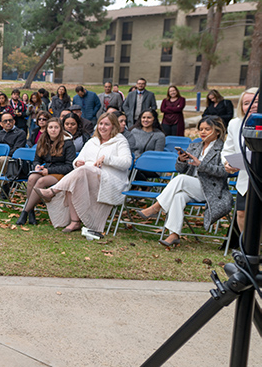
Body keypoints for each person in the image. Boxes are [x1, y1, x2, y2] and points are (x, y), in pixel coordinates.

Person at [136, 116, 232, 248]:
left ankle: (157, 207)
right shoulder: (194, 146)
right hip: (191, 186)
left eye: (207, 129)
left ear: (217, 131)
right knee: (177, 196)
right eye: (201, 129)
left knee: (181, 180)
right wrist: (181, 160)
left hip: (212, 189)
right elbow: (180, 170)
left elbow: (224, 172)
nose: (203, 132)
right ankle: (174, 235)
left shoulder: (223, 149)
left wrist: (201, 164)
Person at [35, 113, 132, 234]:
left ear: (114, 126)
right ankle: (75, 222)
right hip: (87, 176)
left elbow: (127, 162)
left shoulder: (120, 141)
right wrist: (77, 163)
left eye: (107, 124)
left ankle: (52, 191)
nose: (102, 127)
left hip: (110, 179)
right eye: (101, 124)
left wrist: (106, 159)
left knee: (84, 170)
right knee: (76, 179)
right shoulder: (92, 141)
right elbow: (77, 160)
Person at [16, 118, 75, 225]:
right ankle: (31, 213)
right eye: (51, 127)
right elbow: (37, 159)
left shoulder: (68, 143)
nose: (53, 130)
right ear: (47, 129)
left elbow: (69, 166)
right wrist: (37, 166)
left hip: (61, 173)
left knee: (41, 182)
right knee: (32, 178)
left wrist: (49, 170)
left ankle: (25, 212)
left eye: (56, 127)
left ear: (60, 129)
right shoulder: (43, 140)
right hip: (46, 170)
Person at [222, 87, 258, 233]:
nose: (251, 106)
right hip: (245, 178)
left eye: (256, 101)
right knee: (241, 213)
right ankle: (248, 249)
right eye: (246, 102)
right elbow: (228, 149)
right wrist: (227, 162)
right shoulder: (235, 124)